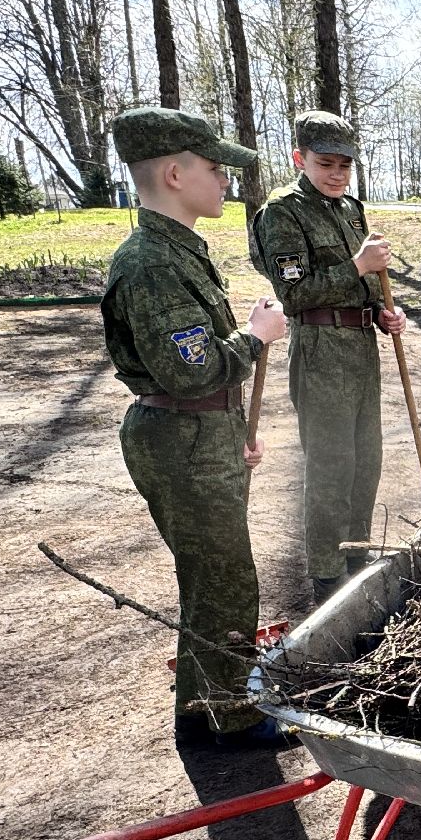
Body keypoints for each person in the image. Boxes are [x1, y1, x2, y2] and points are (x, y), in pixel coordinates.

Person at [102, 106, 291, 750]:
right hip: (180, 437)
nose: (224, 181)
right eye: (214, 169)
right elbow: (192, 371)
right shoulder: (152, 262)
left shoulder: (176, 250)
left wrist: (232, 427)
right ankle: (228, 717)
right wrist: (256, 336)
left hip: (198, 434)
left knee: (211, 576)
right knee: (225, 579)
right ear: (176, 174)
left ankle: (203, 701)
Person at [251, 110, 407, 604]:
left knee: (367, 463)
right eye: (325, 163)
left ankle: (355, 560)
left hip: (361, 350)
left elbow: (367, 282)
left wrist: (384, 310)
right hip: (320, 354)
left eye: (345, 164)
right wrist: (359, 264)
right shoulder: (283, 213)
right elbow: (294, 295)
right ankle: (326, 578)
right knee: (331, 468)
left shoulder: (350, 209)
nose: (337, 174)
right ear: (300, 159)